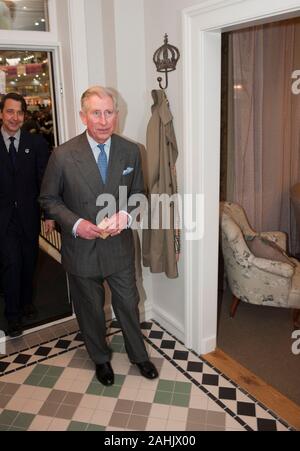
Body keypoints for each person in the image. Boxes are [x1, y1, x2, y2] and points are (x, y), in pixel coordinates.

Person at [39, 86, 158, 386]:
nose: (103, 120)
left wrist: (127, 215)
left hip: (118, 247)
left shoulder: (131, 150)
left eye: (109, 112)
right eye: (96, 113)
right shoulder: (63, 155)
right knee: (90, 309)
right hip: (81, 249)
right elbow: (49, 200)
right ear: (83, 116)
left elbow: (140, 194)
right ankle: (100, 359)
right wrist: (77, 224)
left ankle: (138, 355)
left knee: (129, 304)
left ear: (117, 115)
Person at [0, 92, 54, 337]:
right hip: (3, 219)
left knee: (28, 262)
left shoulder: (37, 145)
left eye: (19, 112)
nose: (15, 117)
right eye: (10, 111)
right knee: (11, 263)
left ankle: (26, 302)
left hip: (29, 217)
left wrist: (49, 215)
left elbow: (44, 182)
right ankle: (12, 315)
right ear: (1, 113)